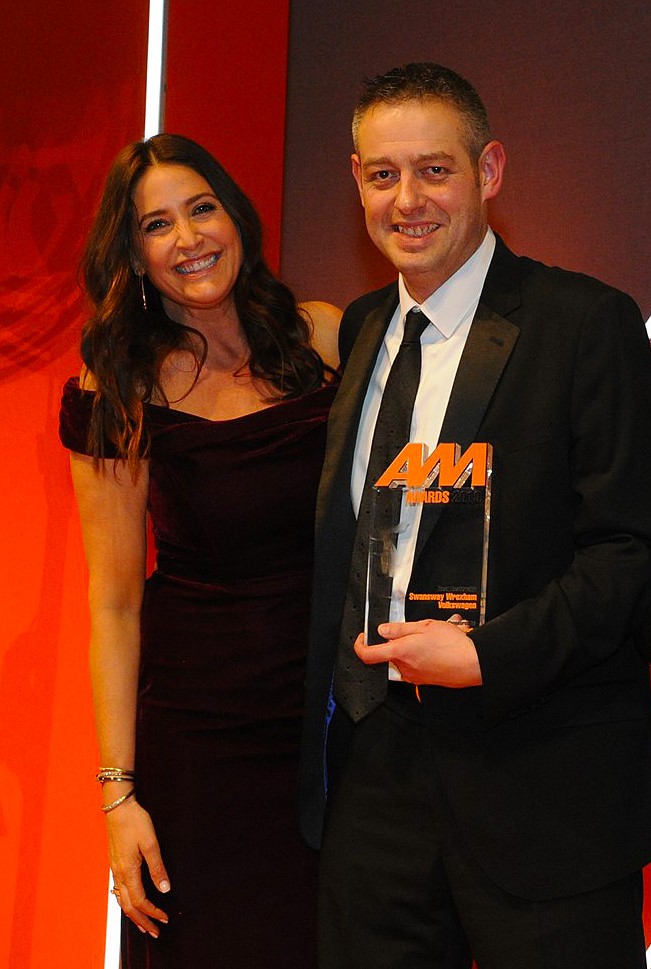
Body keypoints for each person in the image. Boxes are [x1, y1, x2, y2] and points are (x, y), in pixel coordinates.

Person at [297, 63, 651, 969]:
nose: (407, 200)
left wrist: (482, 656)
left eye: (435, 170)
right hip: (376, 787)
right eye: (383, 175)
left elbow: (627, 551)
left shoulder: (586, 322)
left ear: (490, 171)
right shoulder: (358, 332)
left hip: (543, 787)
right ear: (356, 181)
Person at [61, 134, 340, 967]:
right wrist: (119, 799)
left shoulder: (324, 336)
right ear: (134, 255)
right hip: (203, 740)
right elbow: (113, 603)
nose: (189, 238)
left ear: (236, 216)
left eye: (202, 208)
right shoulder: (116, 389)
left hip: (337, 728)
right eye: (157, 224)